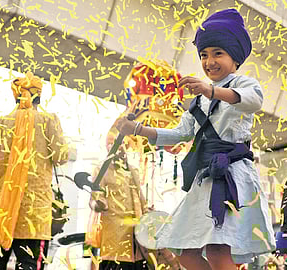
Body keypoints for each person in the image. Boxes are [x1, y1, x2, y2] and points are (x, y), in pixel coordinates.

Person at [114, 8, 275, 270]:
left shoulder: (246, 84)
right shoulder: (198, 100)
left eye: (217, 54)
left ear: (235, 57)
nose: (209, 61)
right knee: (186, 253)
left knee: (217, 252)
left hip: (231, 176)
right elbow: (181, 133)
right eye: (204, 55)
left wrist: (211, 90)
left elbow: (253, 102)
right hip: (206, 177)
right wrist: (138, 129)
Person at [0, 71, 68, 270]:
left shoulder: (1, 122)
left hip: (4, 211)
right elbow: (61, 157)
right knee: (28, 265)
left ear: (15, 95)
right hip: (34, 215)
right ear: (39, 95)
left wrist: (5, 171)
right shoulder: (48, 121)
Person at [86, 125, 149, 270]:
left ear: (125, 144)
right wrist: (100, 204)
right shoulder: (101, 170)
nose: (114, 147)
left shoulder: (133, 170)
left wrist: (148, 214)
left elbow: (141, 200)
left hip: (137, 242)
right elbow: (94, 200)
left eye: (117, 143)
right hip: (115, 243)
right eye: (110, 144)